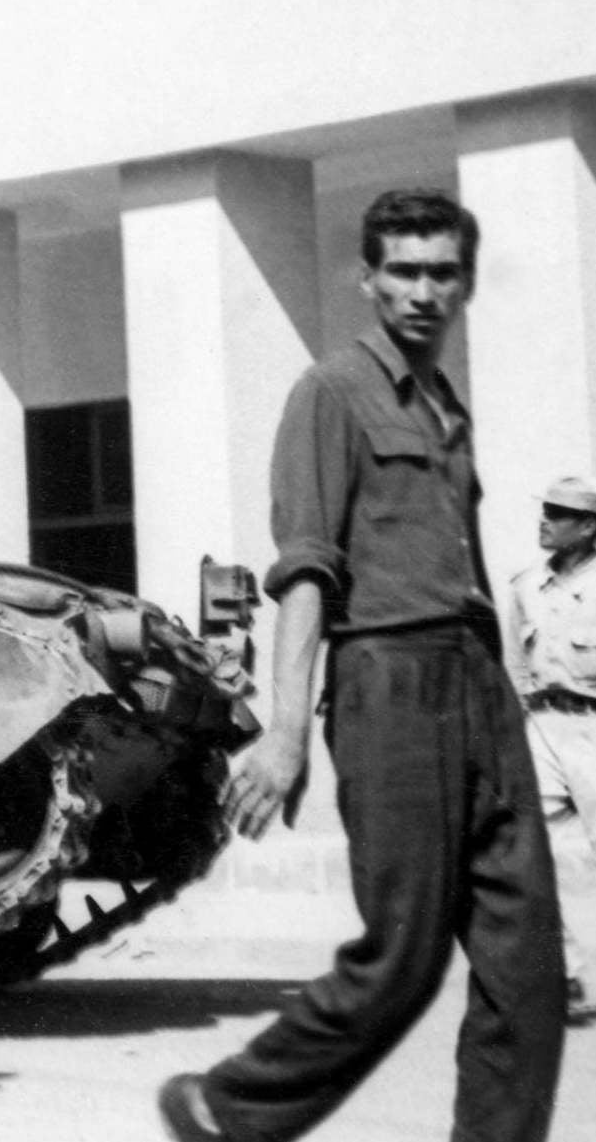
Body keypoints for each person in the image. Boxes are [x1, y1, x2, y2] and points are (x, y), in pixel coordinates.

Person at [161, 189, 564, 1142]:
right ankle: (224, 1106)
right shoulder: (330, 392)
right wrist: (287, 729)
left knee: (528, 968)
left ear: (465, 280)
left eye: (441, 272)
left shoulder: (445, 408)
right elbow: (305, 566)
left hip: (476, 680)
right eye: (404, 270)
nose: (423, 290)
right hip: (388, 680)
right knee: (403, 957)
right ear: (368, 278)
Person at [502, 475, 596, 1028]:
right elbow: (514, 662)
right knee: (536, 859)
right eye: (544, 509)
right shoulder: (524, 585)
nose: (545, 520)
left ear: (588, 527)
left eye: (559, 513)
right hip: (543, 726)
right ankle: (565, 976)